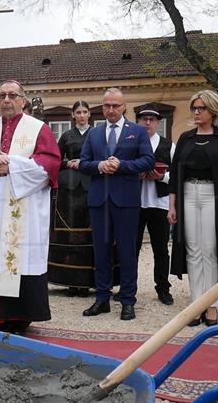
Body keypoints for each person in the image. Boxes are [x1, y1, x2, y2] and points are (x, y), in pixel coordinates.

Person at [0, 80, 60, 335]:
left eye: (12, 95)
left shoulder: (39, 129)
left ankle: (20, 316)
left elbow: (49, 162)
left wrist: (12, 166)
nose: (6, 100)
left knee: (19, 256)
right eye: (1, 95)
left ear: (23, 100)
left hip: (23, 206)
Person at [167, 90, 218, 327]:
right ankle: (195, 304)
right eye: (194, 108)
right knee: (192, 250)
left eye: (202, 108)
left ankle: (212, 305)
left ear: (214, 110)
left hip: (214, 196)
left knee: (210, 249)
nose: (197, 112)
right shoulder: (186, 138)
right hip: (188, 194)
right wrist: (172, 206)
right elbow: (175, 173)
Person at [80, 88, 154, 321]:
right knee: (101, 251)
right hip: (99, 199)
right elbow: (83, 163)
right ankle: (102, 298)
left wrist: (122, 165)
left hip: (126, 200)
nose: (110, 110)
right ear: (102, 107)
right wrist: (100, 166)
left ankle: (128, 301)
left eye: (115, 105)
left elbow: (148, 160)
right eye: (106, 106)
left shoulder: (138, 131)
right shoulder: (94, 133)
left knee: (127, 252)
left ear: (124, 107)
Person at [48, 101, 95, 297]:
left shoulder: (97, 134)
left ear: (89, 114)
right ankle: (70, 281)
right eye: (78, 112)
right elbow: (56, 160)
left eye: (85, 112)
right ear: (73, 115)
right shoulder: (66, 136)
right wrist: (70, 163)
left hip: (91, 185)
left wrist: (84, 163)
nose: (82, 115)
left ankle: (86, 282)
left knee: (89, 235)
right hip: (69, 189)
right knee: (71, 236)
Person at [135, 104, 175, 306]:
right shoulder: (131, 143)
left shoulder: (168, 145)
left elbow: (176, 174)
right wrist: (136, 174)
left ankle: (163, 288)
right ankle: (128, 288)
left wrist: (162, 176)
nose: (148, 123)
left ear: (158, 122)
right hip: (135, 203)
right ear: (138, 121)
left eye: (152, 119)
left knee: (160, 249)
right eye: (144, 119)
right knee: (131, 248)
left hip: (159, 203)